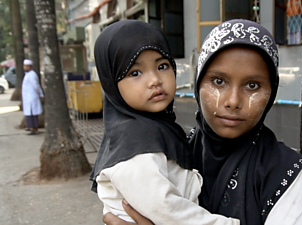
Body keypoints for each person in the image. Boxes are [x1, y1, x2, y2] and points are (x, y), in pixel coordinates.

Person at [103, 19, 302, 225]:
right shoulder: (168, 154)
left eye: (252, 85)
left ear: (271, 91)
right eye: (218, 81)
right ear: (198, 83)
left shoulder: (284, 174)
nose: (233, 101)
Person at [89, 20, 239, 224]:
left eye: (162, 66)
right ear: (111, 83)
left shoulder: (155, 128)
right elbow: (166, 209)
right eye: (135, 73)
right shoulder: (134, 143)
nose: (155, 80)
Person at [22, 59, 44, 135]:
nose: (25, 67)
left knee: (32, 113)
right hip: (28, 97)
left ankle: (34, 128)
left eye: (26, 66)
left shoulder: (32, 75)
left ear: (30, 67)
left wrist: (41, 94)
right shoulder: (28, 74)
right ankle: (31, 127)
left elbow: (36, 86)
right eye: (24, 66)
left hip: (31, 97)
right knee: (30, 113)